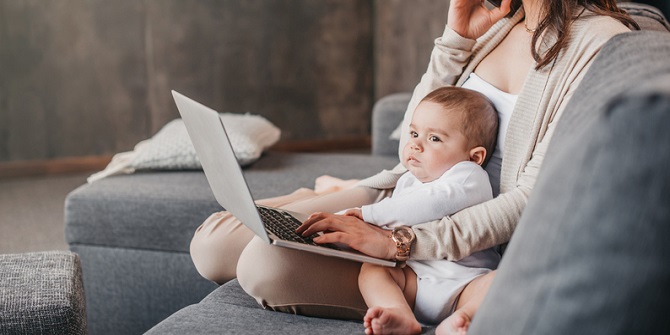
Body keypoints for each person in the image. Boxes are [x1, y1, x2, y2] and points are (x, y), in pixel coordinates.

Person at [190, 0, 638, 333]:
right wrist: (456, 39)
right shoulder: (502, 21)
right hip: (402, 192)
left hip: (457, 241)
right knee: (211, 246)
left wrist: (397, 243)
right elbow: (412, 133)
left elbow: (528, 199)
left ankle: (324, 199)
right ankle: (322, 195)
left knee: (263, 267)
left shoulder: (600, 41)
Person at [347, 86, 500, 335]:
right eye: (414, 133)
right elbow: (390, 225)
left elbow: (428, 204)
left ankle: (464, 317)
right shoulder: (409, 179)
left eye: (434, 138)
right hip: (414, 278)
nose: (415, 145)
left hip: (465, 282)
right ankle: (399, 313)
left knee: (498, 281)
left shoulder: (469, 176)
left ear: (474, 157)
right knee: (372, 270)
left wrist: (364, 214)